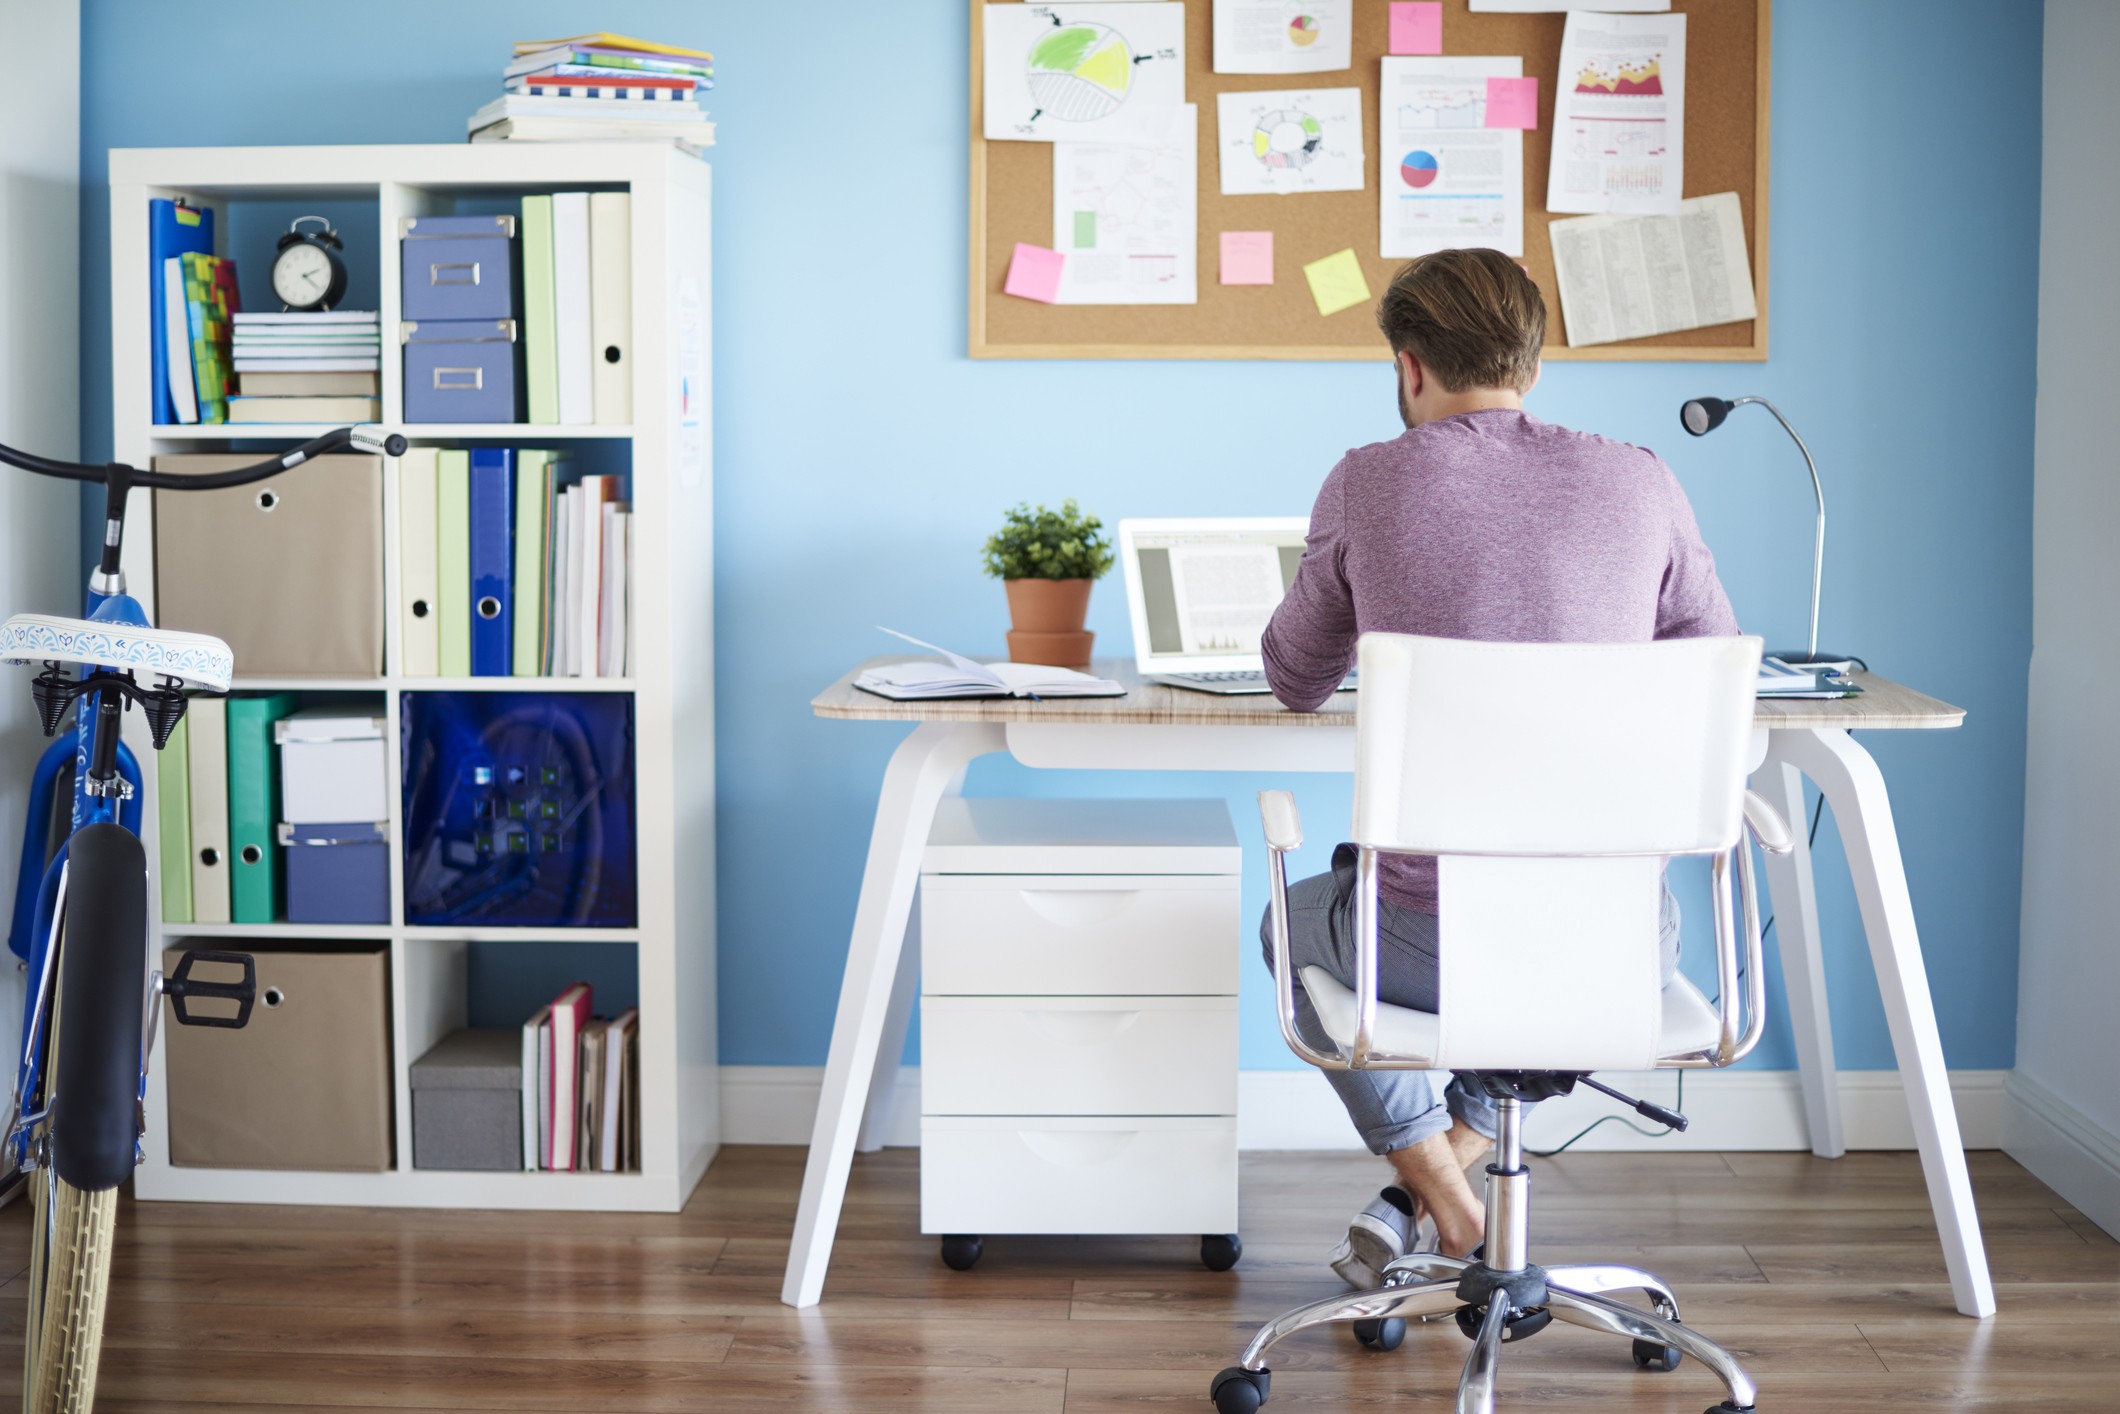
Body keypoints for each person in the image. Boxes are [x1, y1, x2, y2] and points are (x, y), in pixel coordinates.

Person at [1258, 247, 1739, 1285]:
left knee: (1285, 919)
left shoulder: (1365, 480)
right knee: (1541, 973)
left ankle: (1441, 1204)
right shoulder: (1643, 479)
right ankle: (1441, 1202)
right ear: (1531, 362)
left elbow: (1293, 677)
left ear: (1408, 365)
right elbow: (1711, 674)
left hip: (1422, 947)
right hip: (1618, 944)